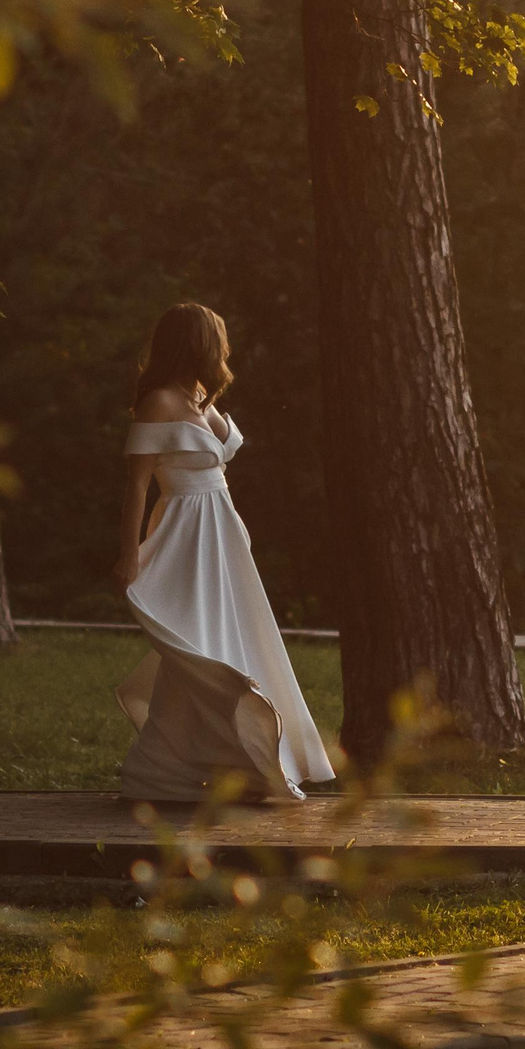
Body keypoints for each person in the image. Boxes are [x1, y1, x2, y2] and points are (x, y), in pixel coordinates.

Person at [112, 302, 335, 801]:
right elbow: (137, 487)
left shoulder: (197, 398)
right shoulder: (160, 403)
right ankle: (193, 764)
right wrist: (129, 555)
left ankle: (170, 769)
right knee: (198, 642)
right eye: (215, 340)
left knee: (231, 636)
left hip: (222, 535)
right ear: (195, 344)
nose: (222, 350)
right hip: (185, 534)